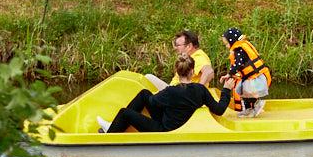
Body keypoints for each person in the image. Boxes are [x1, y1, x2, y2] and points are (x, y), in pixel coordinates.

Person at [98, 54, 235, 133]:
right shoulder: (200, 90)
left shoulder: (171, 91)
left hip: (164, 129)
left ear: (176, 71)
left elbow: (153, 102)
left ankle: (111, 133)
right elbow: (219, 109)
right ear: (192, 71)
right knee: (144, 94)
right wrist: (226, 90)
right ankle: (114, 126)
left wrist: (162, 95)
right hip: (172, 121)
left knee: (124, 112)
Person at [220, 27, 272, 118]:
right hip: (254, 75)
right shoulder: (241, 47)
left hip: (255, 77)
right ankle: (249, 110)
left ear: (232, 41)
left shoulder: (238, 50)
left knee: (244, 91)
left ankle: (257, 103)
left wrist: (229, 74)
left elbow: (237, 65)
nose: (227, 46)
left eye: (227, 44)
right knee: (241, 91)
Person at [147, 30, 213, 90]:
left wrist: (199, 90)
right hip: (174, 90)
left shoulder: (198, 56)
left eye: (178, 45)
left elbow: (209, 71)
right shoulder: (188, 57)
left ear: (189, 46)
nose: (175, 48)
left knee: (148, 77)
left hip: (179, 94)